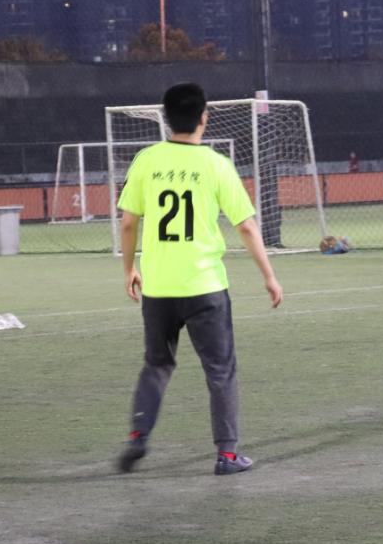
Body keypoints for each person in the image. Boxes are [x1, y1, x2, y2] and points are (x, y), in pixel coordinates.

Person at [116, 82, 284, 476]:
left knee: (157, 364)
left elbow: (128, 223)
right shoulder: (216, 165)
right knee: (220, 369)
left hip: (159, 288)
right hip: (205, 287)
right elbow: (246, 226)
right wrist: (269, 276)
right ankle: (227, 455)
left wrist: (129, 269)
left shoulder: (146, 160)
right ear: (203, 118)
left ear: (165, 119)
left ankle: (138, 435)